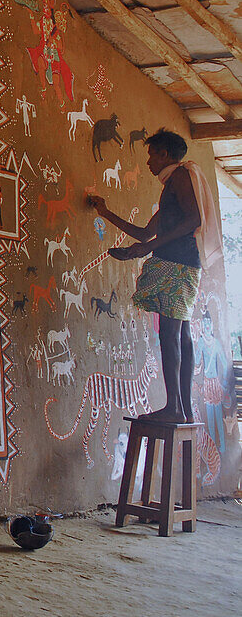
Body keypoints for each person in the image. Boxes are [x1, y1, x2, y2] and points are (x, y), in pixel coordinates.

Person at [88, 129, 222, 424]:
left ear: (165, 154)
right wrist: (106, 213)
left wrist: (146, 249)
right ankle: (183, 410)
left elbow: (193, 220)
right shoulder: (171, 185)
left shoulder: (181, 177)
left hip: (179, 263)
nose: (148, 162)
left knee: (171, 335)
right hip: (180, 262)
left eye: (151, 155)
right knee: (181, 335)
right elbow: (145, 232)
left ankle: (174, 407)